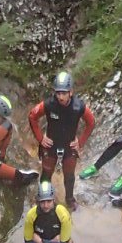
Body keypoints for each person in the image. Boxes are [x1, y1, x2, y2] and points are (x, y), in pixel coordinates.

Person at [28, 70, 95, 208]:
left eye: (64, 93)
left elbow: (91, 122)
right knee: (46, 173)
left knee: (69, 175)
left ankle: (69, 199)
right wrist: (40, 139)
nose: (60, 97)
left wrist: (80, 142)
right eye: (58, 93)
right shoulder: (48, 104)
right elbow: (32, 116)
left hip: (69, 146)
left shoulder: (79, 106)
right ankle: (43, 197)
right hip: (50, 144)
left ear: (71, 92)